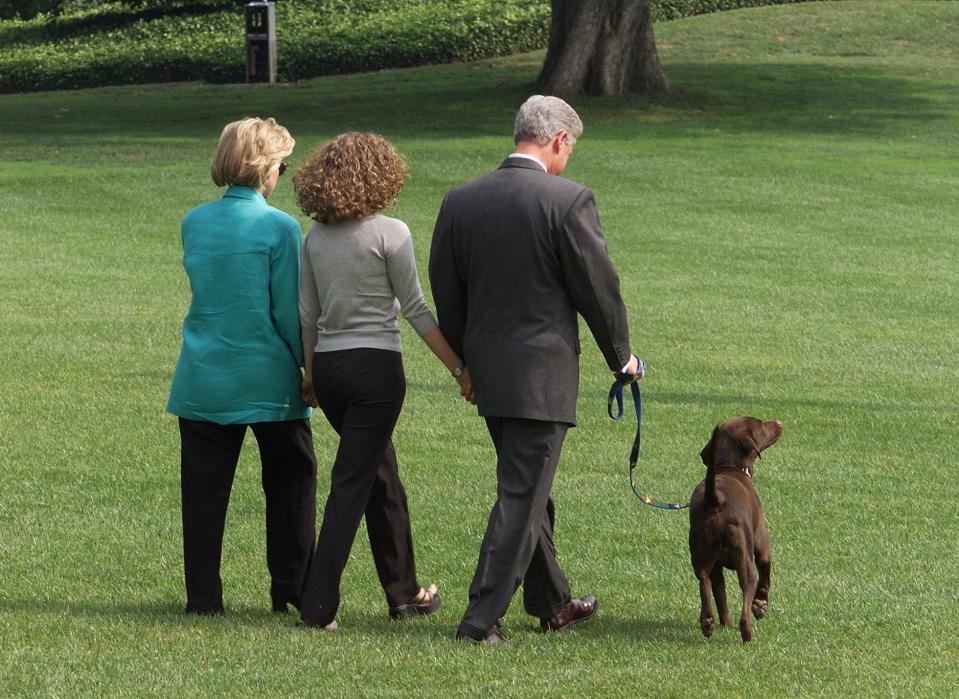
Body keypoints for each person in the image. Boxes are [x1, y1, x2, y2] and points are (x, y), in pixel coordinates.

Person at [428, 95, 643, 644]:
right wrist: (622, 358)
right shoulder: (568, 201)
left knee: (529, 487)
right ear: (559, 141)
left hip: (487, 372)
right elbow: (599, 289)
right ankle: (480, 620)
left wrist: (463, 363)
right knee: (522, 496)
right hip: (540, 376)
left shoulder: (460, 200)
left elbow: (446, 289)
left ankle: (553, 602)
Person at [294, 132, 472, 630]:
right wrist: (459, 370)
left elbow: (308, 313)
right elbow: (415, 310)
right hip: (375, 373)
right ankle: (318, 606)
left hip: (329, 370)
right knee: (352, 483)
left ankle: (405, 592)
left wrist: (309, 373)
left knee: (379, 476)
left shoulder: (315, 237)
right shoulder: (392, 233)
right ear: (381, 175)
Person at [167, 117, 318, 616]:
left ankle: (203, 599)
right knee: (291, 487)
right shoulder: (279, 227)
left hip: (203, 376)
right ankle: (292, 591)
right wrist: (308, 369)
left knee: (203, 497)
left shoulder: (194, 221)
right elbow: (286, 312)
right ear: (267, 169)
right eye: (282, 164)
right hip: (269, 379)